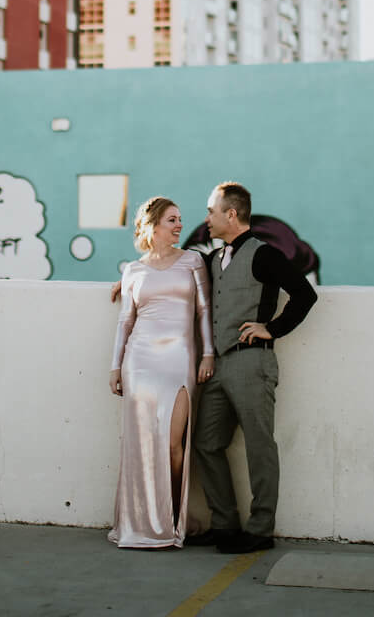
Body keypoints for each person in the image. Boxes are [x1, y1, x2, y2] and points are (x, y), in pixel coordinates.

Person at [190, 180, 317, 554]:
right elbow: (172, 271)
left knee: (259, 446)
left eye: (211, 211)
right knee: (206, 443)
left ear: (231, 214)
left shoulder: (265, 255)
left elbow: (305, 294)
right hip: (217, 365)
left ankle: (260, 530)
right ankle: (225, 525)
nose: (207, 219)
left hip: (252, 362)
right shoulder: (213, 259)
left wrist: (271, 329)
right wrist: (131, 277)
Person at [108, 196, 215, 549]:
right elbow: (125, 321)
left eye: (180, 219)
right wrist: (115, 366)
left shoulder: (193, 261)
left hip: (180, 360)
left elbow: (204, 311)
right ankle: (142, 522)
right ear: (153, 226)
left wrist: (208, 354)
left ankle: (170, 520)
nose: (179, 225)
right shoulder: (133, 270)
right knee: (141, 445)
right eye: (172, 220)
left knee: (173, 445)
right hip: (139, 361)